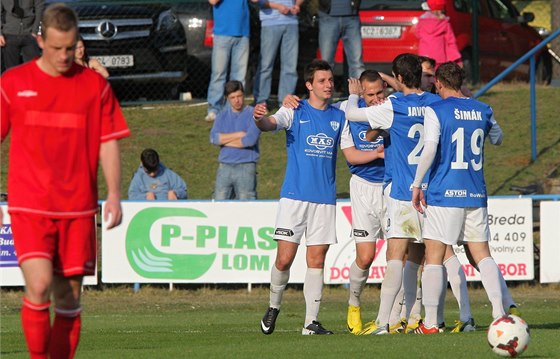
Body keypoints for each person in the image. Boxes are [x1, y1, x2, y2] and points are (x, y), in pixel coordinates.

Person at [0, 3, 130, 358]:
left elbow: (108, 141)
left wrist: (115, 194)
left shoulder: (94, 86)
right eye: (57, 47)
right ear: (39, 39)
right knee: (39, 285)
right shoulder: (13, 82)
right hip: (31, 204)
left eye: (70, 48)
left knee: (69, 299)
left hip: (77, 207)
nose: (64, 55)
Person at [344, 53, 441, 335]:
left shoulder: (391, 106)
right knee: (428, 258)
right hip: (430, 191)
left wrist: (353, 95)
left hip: (401, 191)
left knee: (396, 256)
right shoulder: (436, 103)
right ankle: (421, 320)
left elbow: (352, 114)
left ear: (397, 79)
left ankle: (384, 322)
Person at [410, 61, 506, 334]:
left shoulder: (435, 109)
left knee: (434, 256)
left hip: (444, 191)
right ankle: (499, 315)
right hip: (475, 192)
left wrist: (417, 184)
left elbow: (429, 149)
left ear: (438, 82)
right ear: (461, 81)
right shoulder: (482, 108)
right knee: (482, 254)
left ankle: (430, 324)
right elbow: (498, 138)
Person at [253, 59, 345, 335]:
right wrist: (259, 118)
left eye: (330, 80)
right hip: (294, 198)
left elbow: (351, 151)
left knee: (317, 260)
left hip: (324, 200)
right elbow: (270, 124)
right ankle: (274, 306)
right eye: (321, 81)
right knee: (284, 259)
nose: (328, 85)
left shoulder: (339, 117)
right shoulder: (294, 109)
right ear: (309, 85)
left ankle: (310, 322)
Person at [205, 0, 257, 122]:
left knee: (239, 77)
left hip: (243, 34)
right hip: (222, 33)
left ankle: (233, 110)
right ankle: (214, 110)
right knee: (218, 74)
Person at [210, 80, 260, 200]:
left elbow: (249, 141)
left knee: (246, 205)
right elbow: (214, 138)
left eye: (239, 96)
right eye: (232, 97)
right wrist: (239, 134)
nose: (237, 100)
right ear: (227, 98)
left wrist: (225, 141)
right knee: (219, 202)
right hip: (224, 166)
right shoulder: (222, 115)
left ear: (244, 95)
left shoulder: (254, 114)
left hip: (246, 166)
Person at [254, 0, 303, 107]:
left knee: (290, 66)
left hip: (291, 22)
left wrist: (297, 5)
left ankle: (285, 102)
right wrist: (277, 6)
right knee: (266, 65)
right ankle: (261, 101)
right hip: (270, 22)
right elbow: (257, 1)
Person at [317, 0, 365, 79]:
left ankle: (357, 90)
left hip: (352, 17)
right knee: (326, 63)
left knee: (357, 63)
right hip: (328, 16)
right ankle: (325, 90)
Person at [415, 0, 462, 68]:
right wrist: (457, 58)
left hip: (424, 54)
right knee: (437, 75)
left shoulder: (422, 21)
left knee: (425, 75)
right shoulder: (444, 23)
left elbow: (417, 34)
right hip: (439, 56)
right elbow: (451, 41)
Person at [0, 0, 44, 71]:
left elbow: (40, 9)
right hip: (9, 34)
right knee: (12, 71)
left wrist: (35, 31)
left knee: (33, 69)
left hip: (30, 34)